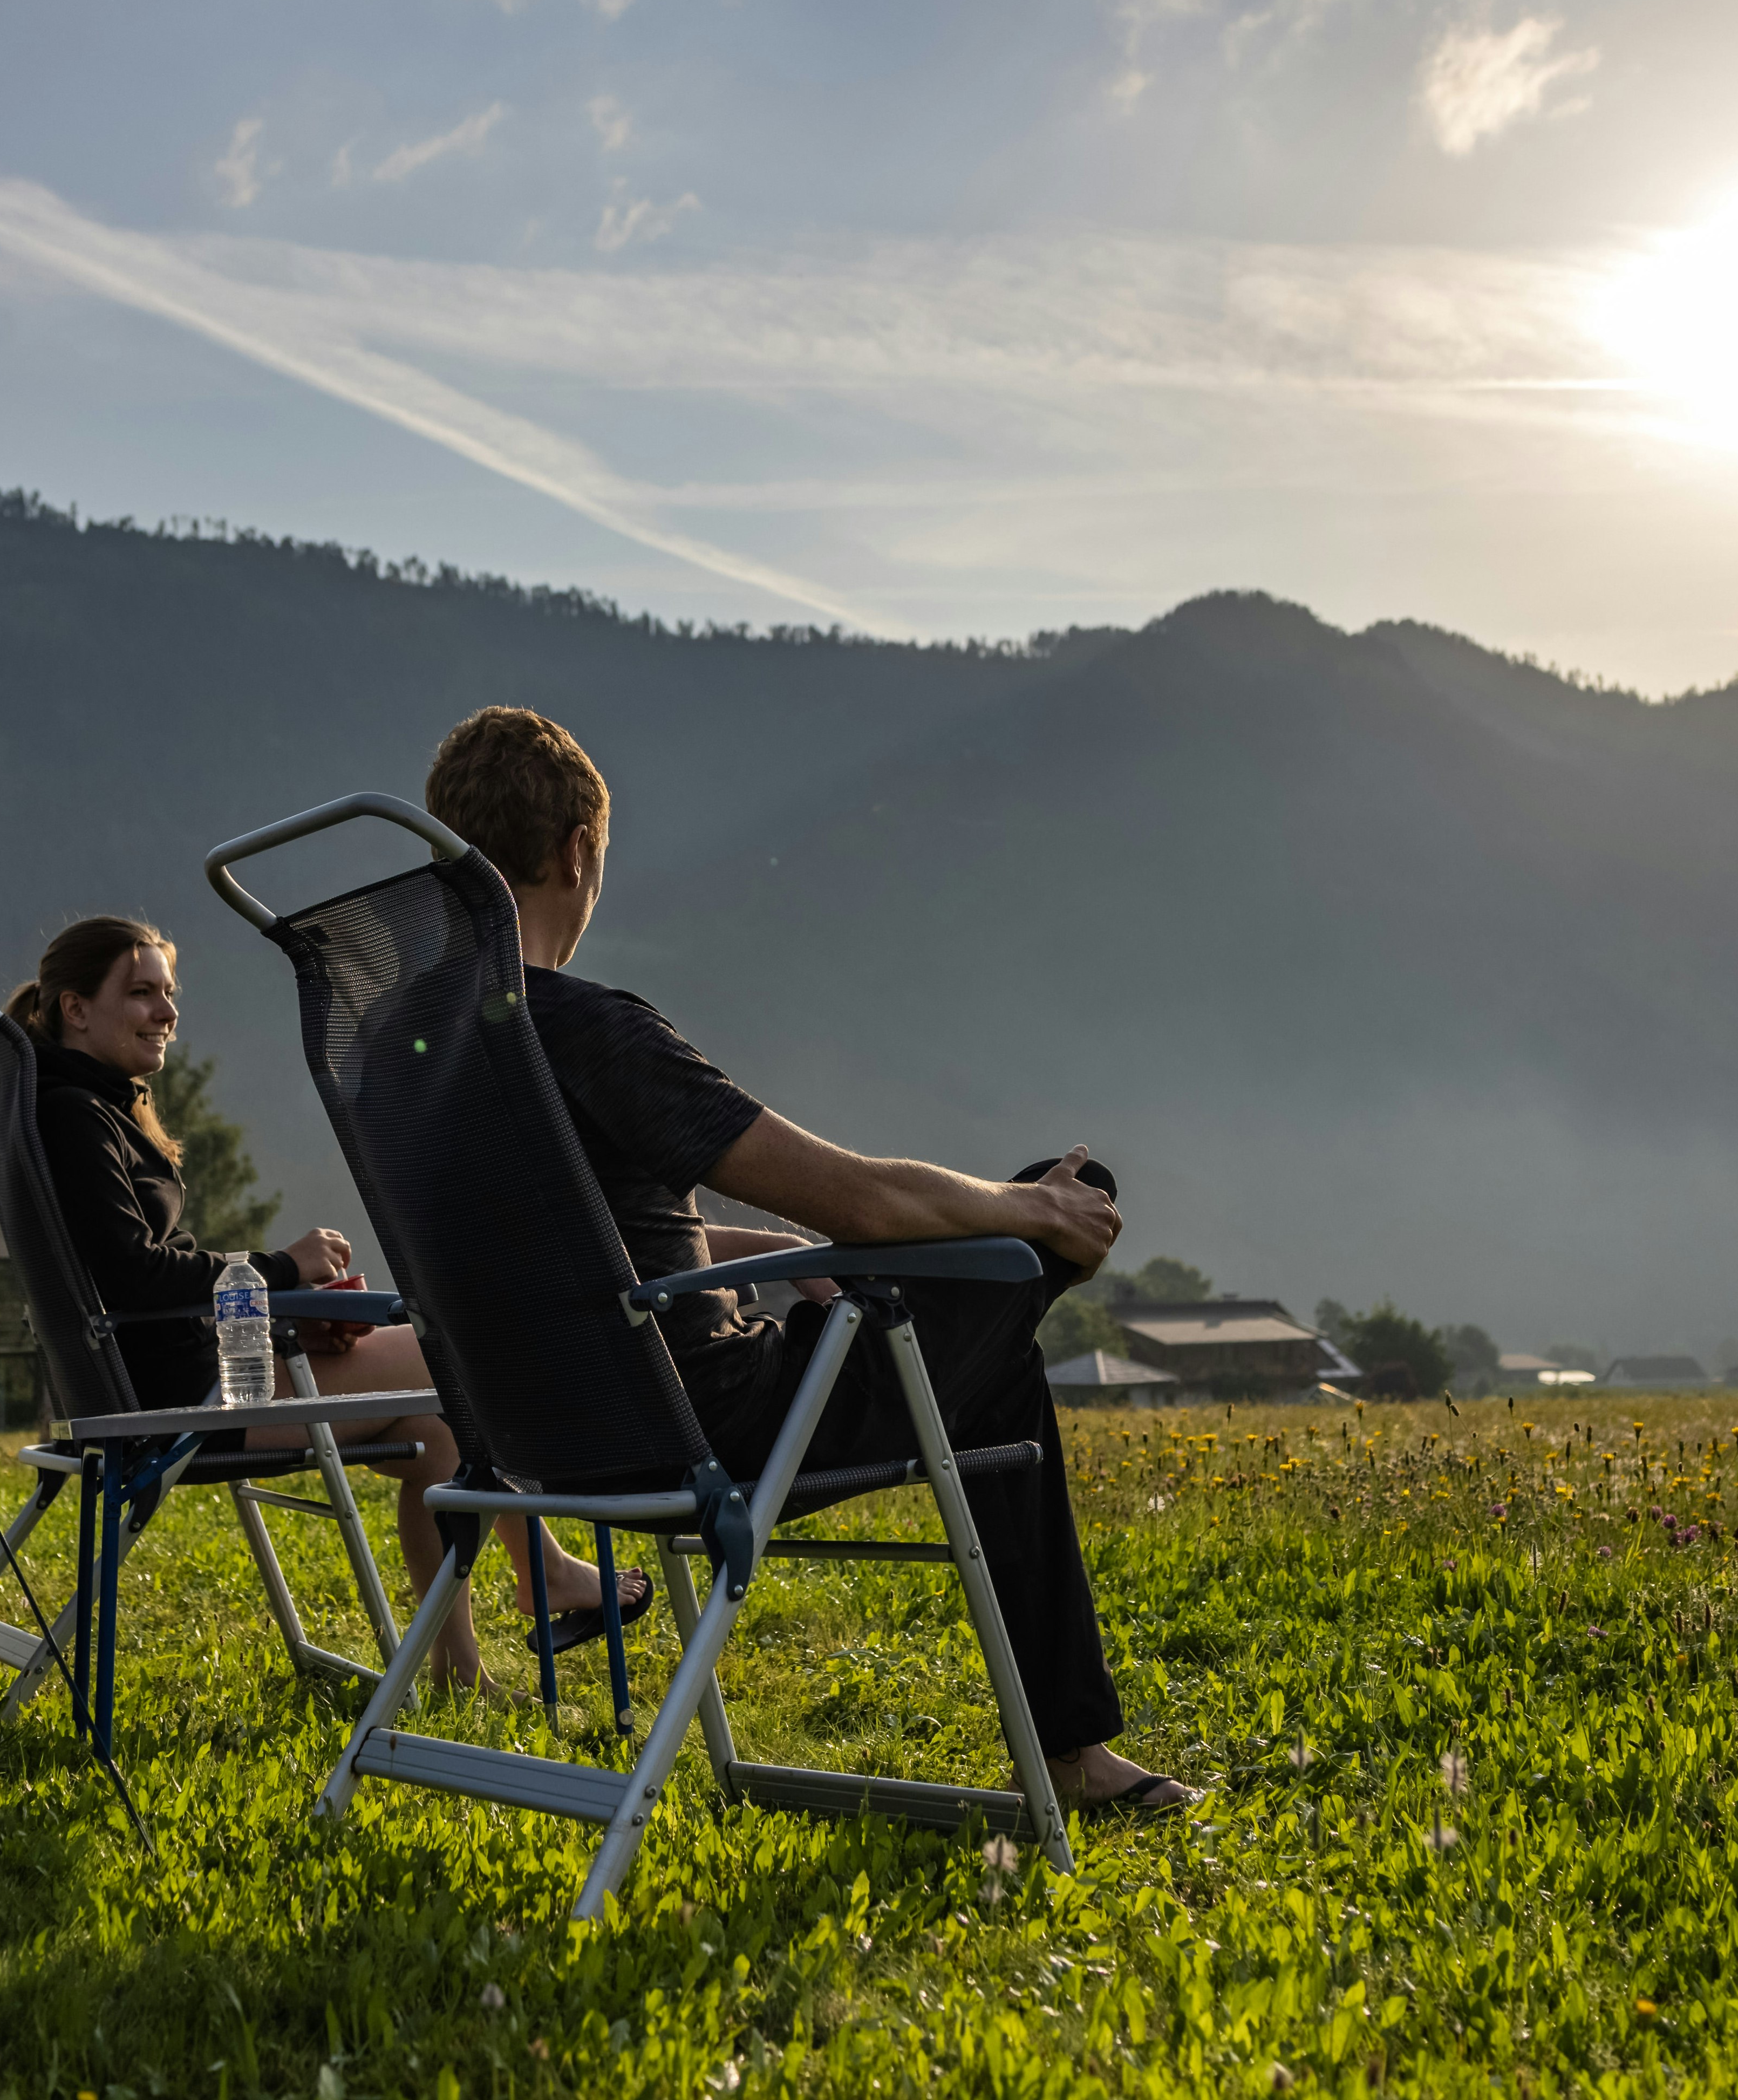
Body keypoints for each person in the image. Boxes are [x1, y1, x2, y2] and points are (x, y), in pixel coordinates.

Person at [419, 708, 1199, 1815]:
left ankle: (1072, 1751)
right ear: (577, 853)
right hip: (715, 1427)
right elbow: (860, 1197)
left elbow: (574, 1247)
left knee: (990, 1374)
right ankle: (1071, 1755)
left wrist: (771, 1253)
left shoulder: (413, 1054)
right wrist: (1029, 1205)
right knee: (1056, 1214)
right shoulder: (589, 1031)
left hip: (526, 1444)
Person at [11, 914, 641, 1692]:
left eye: (168, 993)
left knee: (436, 1435)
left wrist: (286, 1312)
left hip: (179, 1377)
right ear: (76, 1008)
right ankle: (549, 1574)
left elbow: (142, 1278)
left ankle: (460, 1668)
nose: (168, 1013)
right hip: (186, 1399)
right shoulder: (78, 1117)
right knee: (458, 1353)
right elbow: (136, 1278)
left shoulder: (80, 1105)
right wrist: (283, 1269)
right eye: (142, 993)